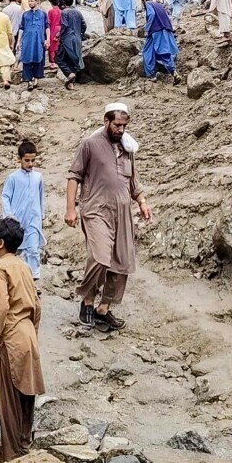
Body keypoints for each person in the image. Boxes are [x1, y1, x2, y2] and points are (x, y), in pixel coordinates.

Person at [66, 104, 151, 331]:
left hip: (122, 213)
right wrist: (70, 209)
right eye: (116, 125)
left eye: (124, 125)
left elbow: (134, 182)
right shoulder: (90, 145)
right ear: (106, 121)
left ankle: (104, 309)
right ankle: (87, 300)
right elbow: (74, 176)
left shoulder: (127, 149)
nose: (120, 129)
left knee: (122, 262)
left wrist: (142, 202)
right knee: (101, 257)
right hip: (95, 209)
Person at [0, 217, 43, 463]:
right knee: (27, 396)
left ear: (0, 243)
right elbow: (37, 306)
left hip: (11, 336)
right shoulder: (24, 266)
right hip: (28, 334)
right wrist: (33, 336)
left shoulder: (0, 268)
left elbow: (1, 307)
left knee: (8, 401)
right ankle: (26, 447)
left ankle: (11, 457)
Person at [2, 140, 48, 275]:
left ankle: (32, 282)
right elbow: (5, 197)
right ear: (19, 159)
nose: (30, 164)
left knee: (33, 251)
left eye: (33, 160)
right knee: (14, 251)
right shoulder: (13, 178)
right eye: (27, 160)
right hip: (17, 221)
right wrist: (9, 216)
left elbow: (40, 197)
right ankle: (11, 278)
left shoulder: (38, 177)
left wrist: (41, 215)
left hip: (34, 220)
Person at [16, 0, 49, 88]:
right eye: (29, 1)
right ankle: (29, 81)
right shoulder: (25, 15)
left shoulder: (43, 14)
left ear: (37, 1)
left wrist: (48, 39)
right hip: (27, 41)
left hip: (39, 40)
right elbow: (21, 28)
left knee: (38, 58)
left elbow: (47, 27)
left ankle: (36, 79)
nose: (30, 3)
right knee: (26, 59)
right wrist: (18, 41)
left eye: (32, 1)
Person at [56, 0, 87, 87]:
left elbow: (64, 26)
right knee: (72, 59)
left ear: (64, 3)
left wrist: (59, 34)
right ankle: (72, 82)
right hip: (77, 38)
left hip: (67, 39)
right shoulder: (78, 12)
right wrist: (80, 34)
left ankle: (70, 74)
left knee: (59, 58)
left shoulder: (64, 12)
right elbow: (84, 25)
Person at [143, 0, 178, 79]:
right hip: (166, 28)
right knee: (148, 51)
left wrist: (146, 29)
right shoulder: (159, 5)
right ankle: (151, 75)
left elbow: (152, 14)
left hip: (156, 30)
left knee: (162, 52)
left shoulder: (148, 4)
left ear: (144, 0)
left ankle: (173, 72)